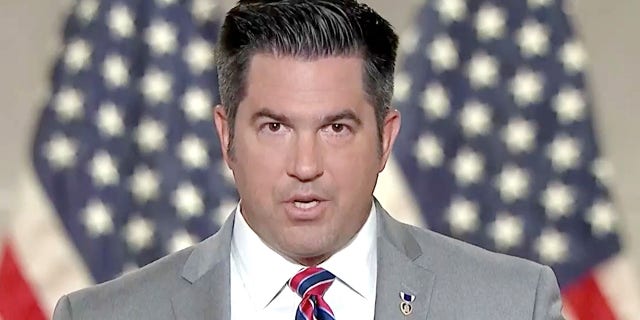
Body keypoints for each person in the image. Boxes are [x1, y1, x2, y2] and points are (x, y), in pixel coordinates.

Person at [53, 0, 565, 319]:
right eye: (274, 127)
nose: (305, 164)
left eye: (336, 128)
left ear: (385, 140)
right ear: (225, 136)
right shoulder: (102, 316)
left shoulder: (513, 305)